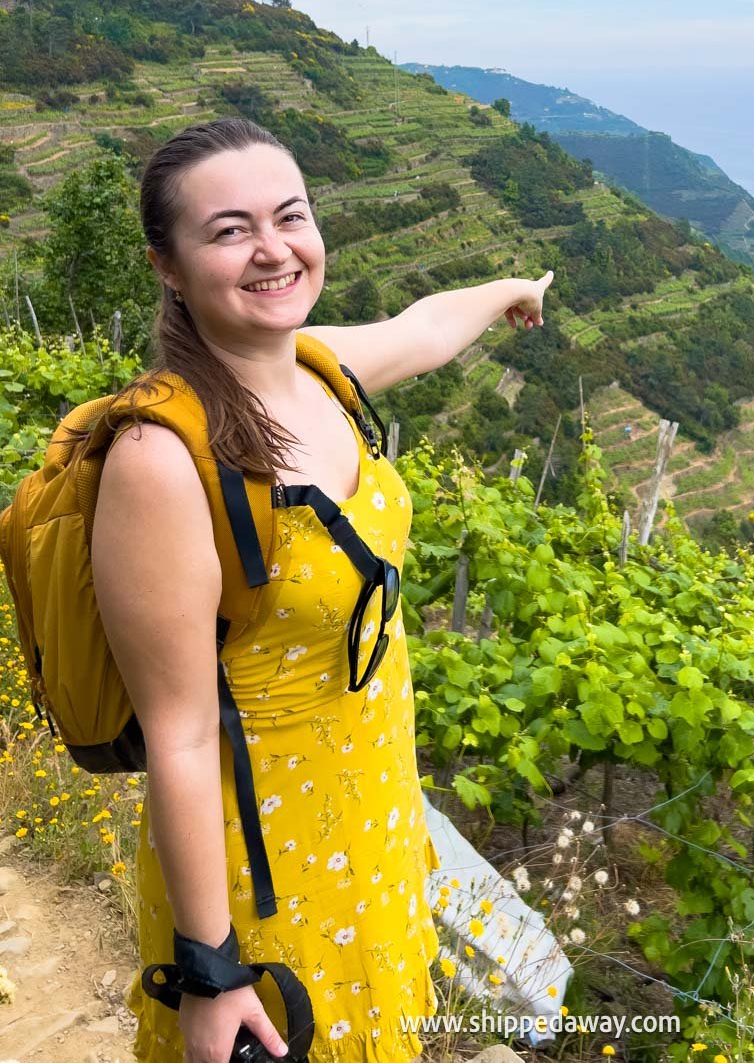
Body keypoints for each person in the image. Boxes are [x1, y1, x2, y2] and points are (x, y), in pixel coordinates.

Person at [89, 117, 553, 1062]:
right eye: (229, 231)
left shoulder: (316, 369)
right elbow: (176, 734)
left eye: (289, 216)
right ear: (168, 266)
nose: (274, 250)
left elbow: (423, 328)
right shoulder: (160, 460)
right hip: (259, 857)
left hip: (376, 806)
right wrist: (210, 969)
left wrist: (512, 289)